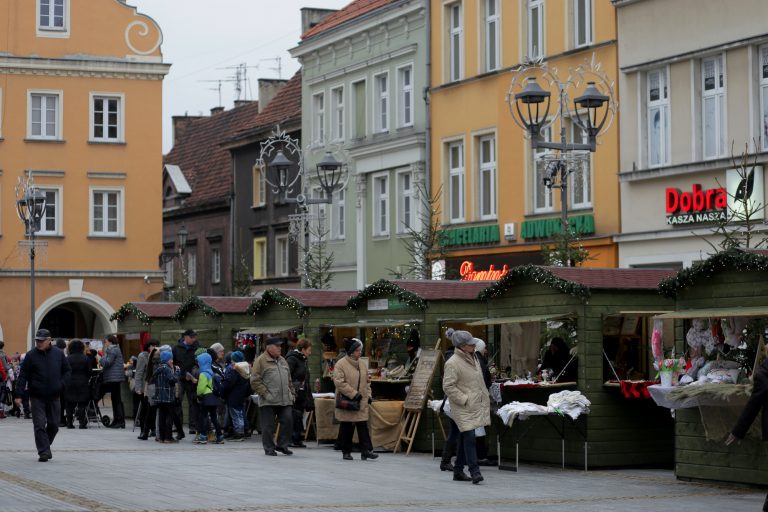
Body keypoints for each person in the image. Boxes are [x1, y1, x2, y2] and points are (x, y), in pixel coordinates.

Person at [15, 329, 71, 462]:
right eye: (37, 341)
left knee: (54, 425)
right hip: (37, 396)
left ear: (49, 340)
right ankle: (44, 451)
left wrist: (61, 384)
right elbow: (23, 376)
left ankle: (45, 445)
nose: (38, 343)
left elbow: (67, 371)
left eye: (41, 341)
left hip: (55, 395)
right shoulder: (30, 355)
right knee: (39, 424)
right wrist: (18, 394)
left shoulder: (58, 354)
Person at [442, 329, 490, 484]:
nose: (474, 346)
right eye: (471, 344)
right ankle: (475, 471)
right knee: (469, 437)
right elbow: (448, 386)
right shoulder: (453, 363)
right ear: (463, 346)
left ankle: (458, 471)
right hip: (462, 405)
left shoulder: (473, 357)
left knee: (464, 437)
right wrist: (464, 399)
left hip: (473, 404)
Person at [727, 356, 768, 511]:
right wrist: (739, 430)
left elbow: (754, 402)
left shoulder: (765, 371)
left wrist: (738, 431)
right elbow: (754, 402)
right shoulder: (765, 373)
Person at [334, 338, 378, 461]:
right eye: (358, 350)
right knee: (347, 426)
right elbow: (339, 382)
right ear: (352, 351)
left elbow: (367, 382)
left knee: (363, 425)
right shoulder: (341, 364)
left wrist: (368, 395)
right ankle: (346, 451)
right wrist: (353, 394)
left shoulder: (362, 364)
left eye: (360, 350)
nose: (360, 353)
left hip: (361, 400)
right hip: (348, 400)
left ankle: (366, 451)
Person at [250, 337, 295, 456]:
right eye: (277, 346)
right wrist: (265, 394)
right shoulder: (260, 361)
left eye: (280, 346)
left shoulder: (283, 360)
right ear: (269, 348)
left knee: (288, 420)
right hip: (268, 400)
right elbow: (254, 381)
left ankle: (282, 445)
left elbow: (289, 379)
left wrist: (292, 393)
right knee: (268, 426)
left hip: (285, 399)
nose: (280, 348)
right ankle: (269, 448)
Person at [286, 338, 314, 448]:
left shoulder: (302, 359)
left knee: (299, 415)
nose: (310, 353)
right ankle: (291, 439)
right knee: (294, 415)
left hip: (302, 393)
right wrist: (295, 386)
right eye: (309, 350)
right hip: (294, 393)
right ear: (303, 349)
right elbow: (287, 375)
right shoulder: (292, 359)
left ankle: (297, 439)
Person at [173, 329, 200, 435]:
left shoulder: (197, 348)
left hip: (192, 379)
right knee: (177, 401)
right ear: (186, 337)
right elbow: (174, 363)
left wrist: (194, 373)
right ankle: (178, 425)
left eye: (195, 337)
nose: (194, 339)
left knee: (193, 402)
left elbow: (198, 363)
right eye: (192, 337)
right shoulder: (176, 348)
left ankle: (193, 426)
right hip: (180, 378)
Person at [193, 352, 224, 445]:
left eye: (199, 362)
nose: (198, 363)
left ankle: (203, 436)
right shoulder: (212, 372)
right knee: (214, 418)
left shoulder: (203, 373)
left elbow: (201, 388)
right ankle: (219, 436)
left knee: (204, 417)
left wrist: (198, 395)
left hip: (206, 398)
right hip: (214, 398)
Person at [221, 350, 250, 442]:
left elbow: (229, 383)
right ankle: (240, 432)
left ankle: (239, 433)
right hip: (240, 396)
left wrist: (223, 388)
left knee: (236, 415)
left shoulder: (235, 370)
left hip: (233, 397)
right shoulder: (245, 369)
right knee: (239, 414)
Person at [151, 350, 178, 443]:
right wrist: (177, 372)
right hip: (168, 397)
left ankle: (161, 437)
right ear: (167, 359)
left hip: (159, 397)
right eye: (171, 359)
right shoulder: (167, 369)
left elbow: (153, 378)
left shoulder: (157, 368)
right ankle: (168, 437)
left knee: (161, 418)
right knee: (169, 417)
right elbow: (173, 380)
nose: (172, 361)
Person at [134, 339, 158, 440]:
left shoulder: (157, 357)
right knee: (144, 409)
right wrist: (138, 388)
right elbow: (139, 373)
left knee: (152, 409)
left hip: (154, 386)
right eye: (154, 346)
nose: (156, 348)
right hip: (145, 387)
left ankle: (152, 429)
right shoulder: (142, 356)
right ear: (149, 347)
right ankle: (143, 430)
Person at [64, 339, 90, 429]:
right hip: (82, 383)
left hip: (70, 383)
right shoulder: (85, 358)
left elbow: (64, 371)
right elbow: (89, 371)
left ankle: (69, 423)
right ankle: (82, 424)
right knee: (82, 404)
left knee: (69, 405)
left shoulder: (67, 358)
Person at [100, 335, 125, 428]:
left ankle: (119, 420)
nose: (105, 344)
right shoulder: (113, 349)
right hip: (115, 377)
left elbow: (107, 362)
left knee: (116, 399)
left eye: (105, 342)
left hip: (114, 378)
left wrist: (101, 357)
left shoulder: (113, 350)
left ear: (110, 342)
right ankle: (117, 420)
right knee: (115, 399)